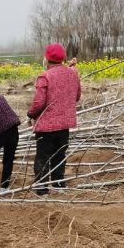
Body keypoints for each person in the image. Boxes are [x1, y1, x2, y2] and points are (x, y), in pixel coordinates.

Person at [27, 43, 81, 193]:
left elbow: (39, 103)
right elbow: (77, 97)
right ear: (63, 58)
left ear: (47, 58)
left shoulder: (45, 76)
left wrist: (30, 114)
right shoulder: (72, 74)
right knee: (59, 155)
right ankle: (58, 185)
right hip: (65, 125)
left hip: (46, 126)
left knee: (42, 157)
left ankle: (42, 189)